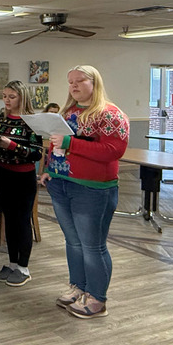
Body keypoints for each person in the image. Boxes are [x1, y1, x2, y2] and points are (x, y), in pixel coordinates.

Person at [40, 65, 128, 319]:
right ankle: (79, 287)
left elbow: (113, 151)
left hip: (92, 189)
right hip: (62, 183)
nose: (74, 86)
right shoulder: (68, 112)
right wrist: (49, 169)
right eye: (70, 82)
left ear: (95, 82)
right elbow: (56, 146)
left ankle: (97, 298)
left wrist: (70, 142)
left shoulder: (110, 114)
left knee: (93, 246)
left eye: (80, 81)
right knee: (73, 242)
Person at [0, 80, 44, 288]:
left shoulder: (32, 122)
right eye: (4, 96)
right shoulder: (0, 118)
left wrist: (12, 145)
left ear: (22, 98)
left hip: (23, 177)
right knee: (10, 221)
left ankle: (24, 267)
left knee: (22, 221)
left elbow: (36, 153)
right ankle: (12, 262)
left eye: (12, 97)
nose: (7, 100)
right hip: (3, 173)